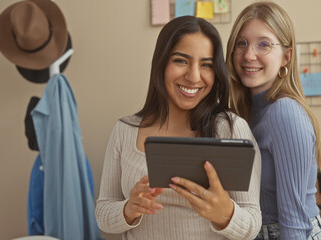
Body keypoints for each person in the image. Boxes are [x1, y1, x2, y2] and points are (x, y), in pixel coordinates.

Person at [95, 16, 262, 240]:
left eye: (206, 65)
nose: (194, 77)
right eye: (181, 61)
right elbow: (103, 215)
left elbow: (253, 224)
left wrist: (226, 214)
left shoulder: (231, 129)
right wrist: (128, 209)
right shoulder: (125, 130)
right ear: (161, 63)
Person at [226, 2, 321, 240]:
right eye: (241, 43)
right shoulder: (246, 114)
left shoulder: (285, 113)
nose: (249, 54)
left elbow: (293, 224)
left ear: (286, 56)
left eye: (264, 44)